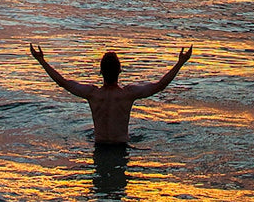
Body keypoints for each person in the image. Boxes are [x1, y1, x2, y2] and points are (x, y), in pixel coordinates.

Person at [28, 43, 193, 145]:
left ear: (100, 72)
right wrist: (180, 62)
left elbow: (63, 82)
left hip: (98, 146)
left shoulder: (93, 94)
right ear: (120, 71)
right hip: (121, 147)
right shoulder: (127, 94)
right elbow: (160, 85)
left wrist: (41, 60)